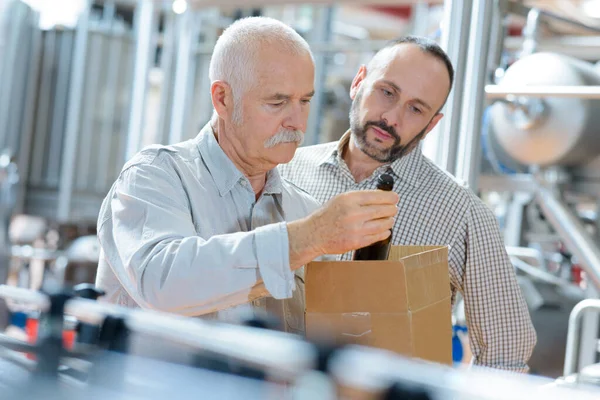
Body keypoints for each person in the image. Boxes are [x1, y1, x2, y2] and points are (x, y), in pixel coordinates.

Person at [94, 17, 398, 333]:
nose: (296, 121)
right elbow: (164, 283)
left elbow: (325, 333)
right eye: (277, 102)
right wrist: (306, 239)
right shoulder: (154, 178)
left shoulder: (303, 209)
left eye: (305, 101)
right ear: (223, 99)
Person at [279, 36, 537, 371]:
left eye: (416, 109)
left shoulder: (461, 214)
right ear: (359, 82)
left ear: (432, 125)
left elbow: (507, 349)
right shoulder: (284, 171)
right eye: (387, 92)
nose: (392, 117)